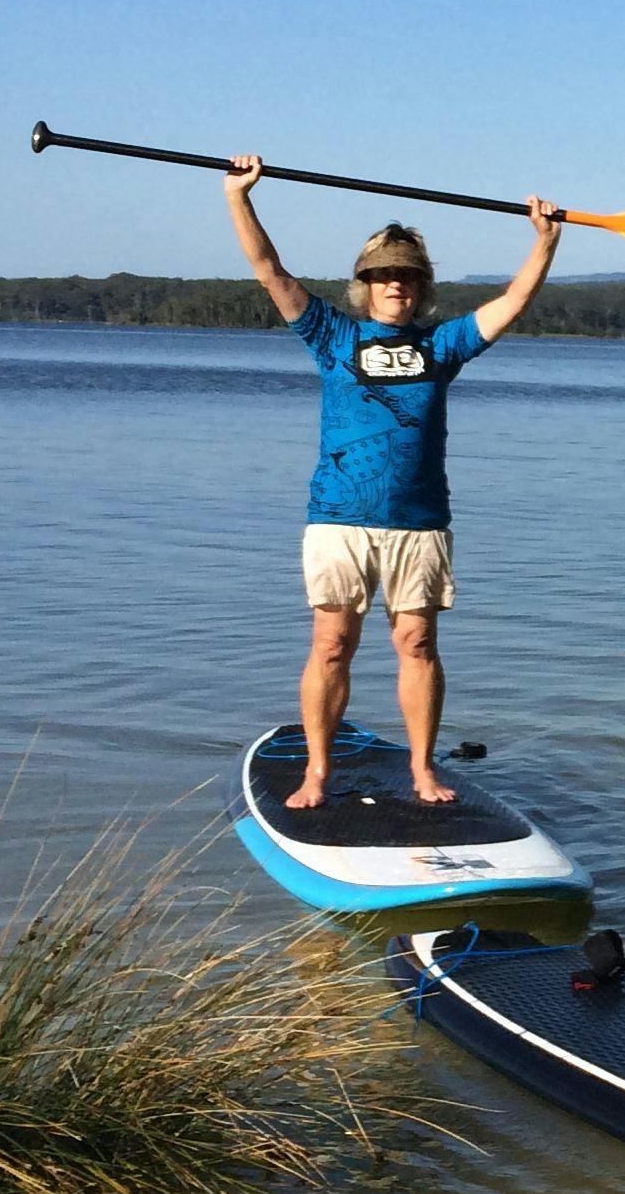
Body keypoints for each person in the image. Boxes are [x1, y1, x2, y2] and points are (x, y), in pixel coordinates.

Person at [223, 161, 561, 807]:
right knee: (331, 644)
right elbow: (271, 270)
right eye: (383, 275)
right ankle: (317, 772)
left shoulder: (444, 346)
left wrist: (543, 243)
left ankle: (423, 770)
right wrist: (240, 198)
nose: (395, 285)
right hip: (339, 517)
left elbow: (512, 303)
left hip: (420, 522)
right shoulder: (333, 337)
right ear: (365, 286)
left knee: (418, 642)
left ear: (422, 286)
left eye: (407, 275)